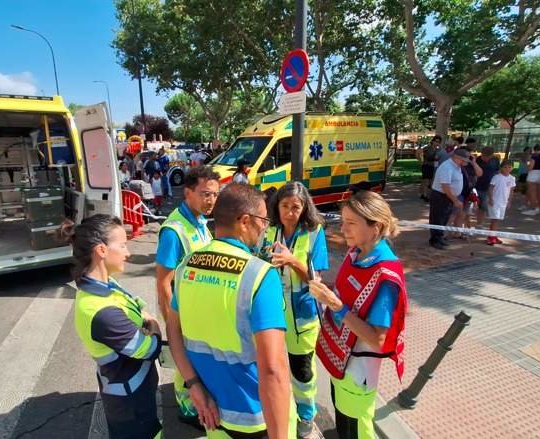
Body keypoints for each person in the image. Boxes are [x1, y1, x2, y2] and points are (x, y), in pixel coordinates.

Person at [166, 183, 293, 438]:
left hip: (211, 411)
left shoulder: (186, 265)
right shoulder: (259, 275)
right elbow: (273, 369)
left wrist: (192, 385)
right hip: (256, 418)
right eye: (263, 221)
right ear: (245, 221)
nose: (265, 229)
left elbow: (174, 331)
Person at [309, 190, 408, 439]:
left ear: (376, 227)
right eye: (343, 221)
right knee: (343, 421)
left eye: (351, 223)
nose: (343, 229)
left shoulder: (385, 275)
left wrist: (334, 304)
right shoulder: (356, 253)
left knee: (355, 429)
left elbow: (378, 339)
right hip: (340, 364)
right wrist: (328, 294)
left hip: (357, 372)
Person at [64, 214, 162, 439]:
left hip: (134, 389)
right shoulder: (101, 310)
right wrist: (153, 323)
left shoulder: (104, 283)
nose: (128, 252)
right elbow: (149, 349)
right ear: (101, 250)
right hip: (130, 403)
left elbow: (134, 306)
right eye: (123, 245)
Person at [155, 166, 221, 428]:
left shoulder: (200, 221)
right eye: (205, 194)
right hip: (183, 313)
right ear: (188, 192)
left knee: (197, 359)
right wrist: (173, 322)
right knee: (185, 360)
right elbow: (163, 282)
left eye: (215, 195)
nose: (211, 201)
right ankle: (188, 409)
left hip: (200, 310)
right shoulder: (174, 230)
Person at [261, 182, 328, 438]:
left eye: (296, 207)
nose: (290, 212)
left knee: (302, 372)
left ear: (304, 208)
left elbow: (316, 279)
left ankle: (306, 416)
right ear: (277, 207)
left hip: (302, 318)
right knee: (273, 367)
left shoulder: (314, 233)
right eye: (285, 206)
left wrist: (292, 260)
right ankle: (278, 411)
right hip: (272, 315)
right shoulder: (270, 230)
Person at [428, 148, 468, 249]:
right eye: (463, 160)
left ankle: (440, 237)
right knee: (438, 218)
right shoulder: (447, 167)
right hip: (441, 196)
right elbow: (445, 186)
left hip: (448, 196)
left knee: (444, 218)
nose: (465, 162)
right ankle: (435, 240)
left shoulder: (457, 166)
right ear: (456, 157)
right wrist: (455, 200)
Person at [450, 146, 482, 237]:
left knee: (463, 214)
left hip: (468, 192)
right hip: (458, 192)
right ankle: (444, 233)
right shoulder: (457, 164)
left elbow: (480, 173)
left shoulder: (472, 164)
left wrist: (474, 163)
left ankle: (457, 232)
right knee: (453, 214)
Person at [486, 161, 516, 245]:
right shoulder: (496, 177)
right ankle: (490, 237)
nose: (507, 169)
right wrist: (491, 199)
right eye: (505, 167)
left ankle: (494, 236)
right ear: (501, 168)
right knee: (494, 219)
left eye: (509, 167)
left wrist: (509, 201)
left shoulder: (512, 178)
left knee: (498, 219)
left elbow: (511, 190)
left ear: (512, 168)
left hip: (504, 202)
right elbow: (491, 188)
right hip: (495, 201)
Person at [474, 147, 500, 225]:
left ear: (492, 155)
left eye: (488, 157)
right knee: (473, 207)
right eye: (484, 156)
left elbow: (497, 172)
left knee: (483, 207)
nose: (486, 158)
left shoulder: (495, 160)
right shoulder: (476, 160)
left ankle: (479, 224)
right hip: (476, 186)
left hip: (488, 187)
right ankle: (470, 226)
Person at [417, 135, 441, 202]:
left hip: (433, 167)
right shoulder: (427, 148)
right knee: (426, 181)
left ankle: (424, 194)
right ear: (433, 141)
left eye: (439, 142)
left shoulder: (438, 149)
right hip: (426, 166)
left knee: (430, 181)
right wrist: (420, 161)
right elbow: (418, 153)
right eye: (436, 141)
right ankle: (425, 195)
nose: (437, 143)